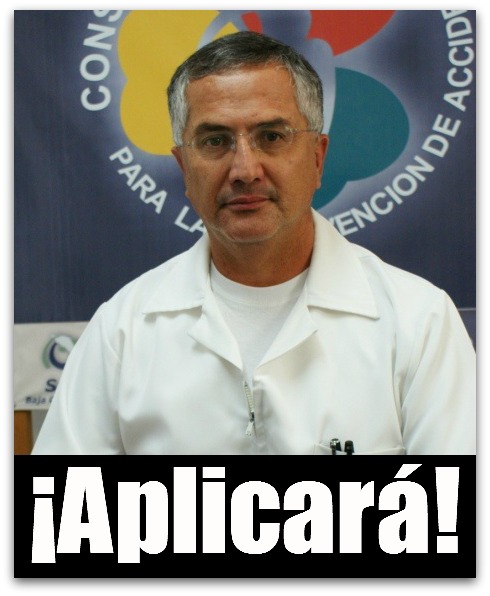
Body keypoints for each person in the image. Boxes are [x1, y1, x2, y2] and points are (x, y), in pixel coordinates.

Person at [31, 31, 476, 455]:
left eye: (271, 137)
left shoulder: (418, 322)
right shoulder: (121, 331)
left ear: (317, 158)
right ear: (184, 168)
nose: (245, 169)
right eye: (215, 141)